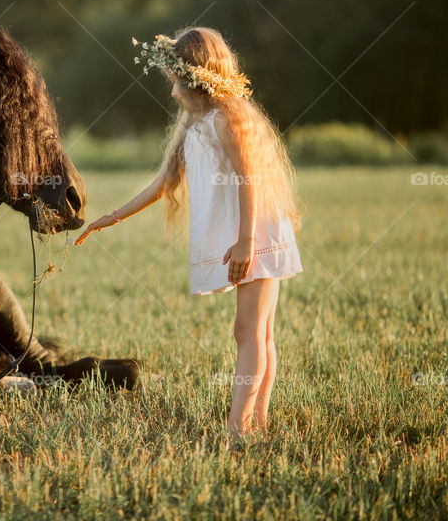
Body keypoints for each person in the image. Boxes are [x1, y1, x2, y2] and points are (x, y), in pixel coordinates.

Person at [75, 28, 302, 438]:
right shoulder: (193, 124)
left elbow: (249, 180)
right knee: (256, 332)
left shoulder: (227, 119)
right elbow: (163, 184)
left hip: (256, 233)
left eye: (175, 79)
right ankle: (256, 423)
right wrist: (112, 216)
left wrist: (246, 242)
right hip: (247, 236)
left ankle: (240, 427)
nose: (172, 90)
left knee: (250, 331)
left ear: (193, 75)